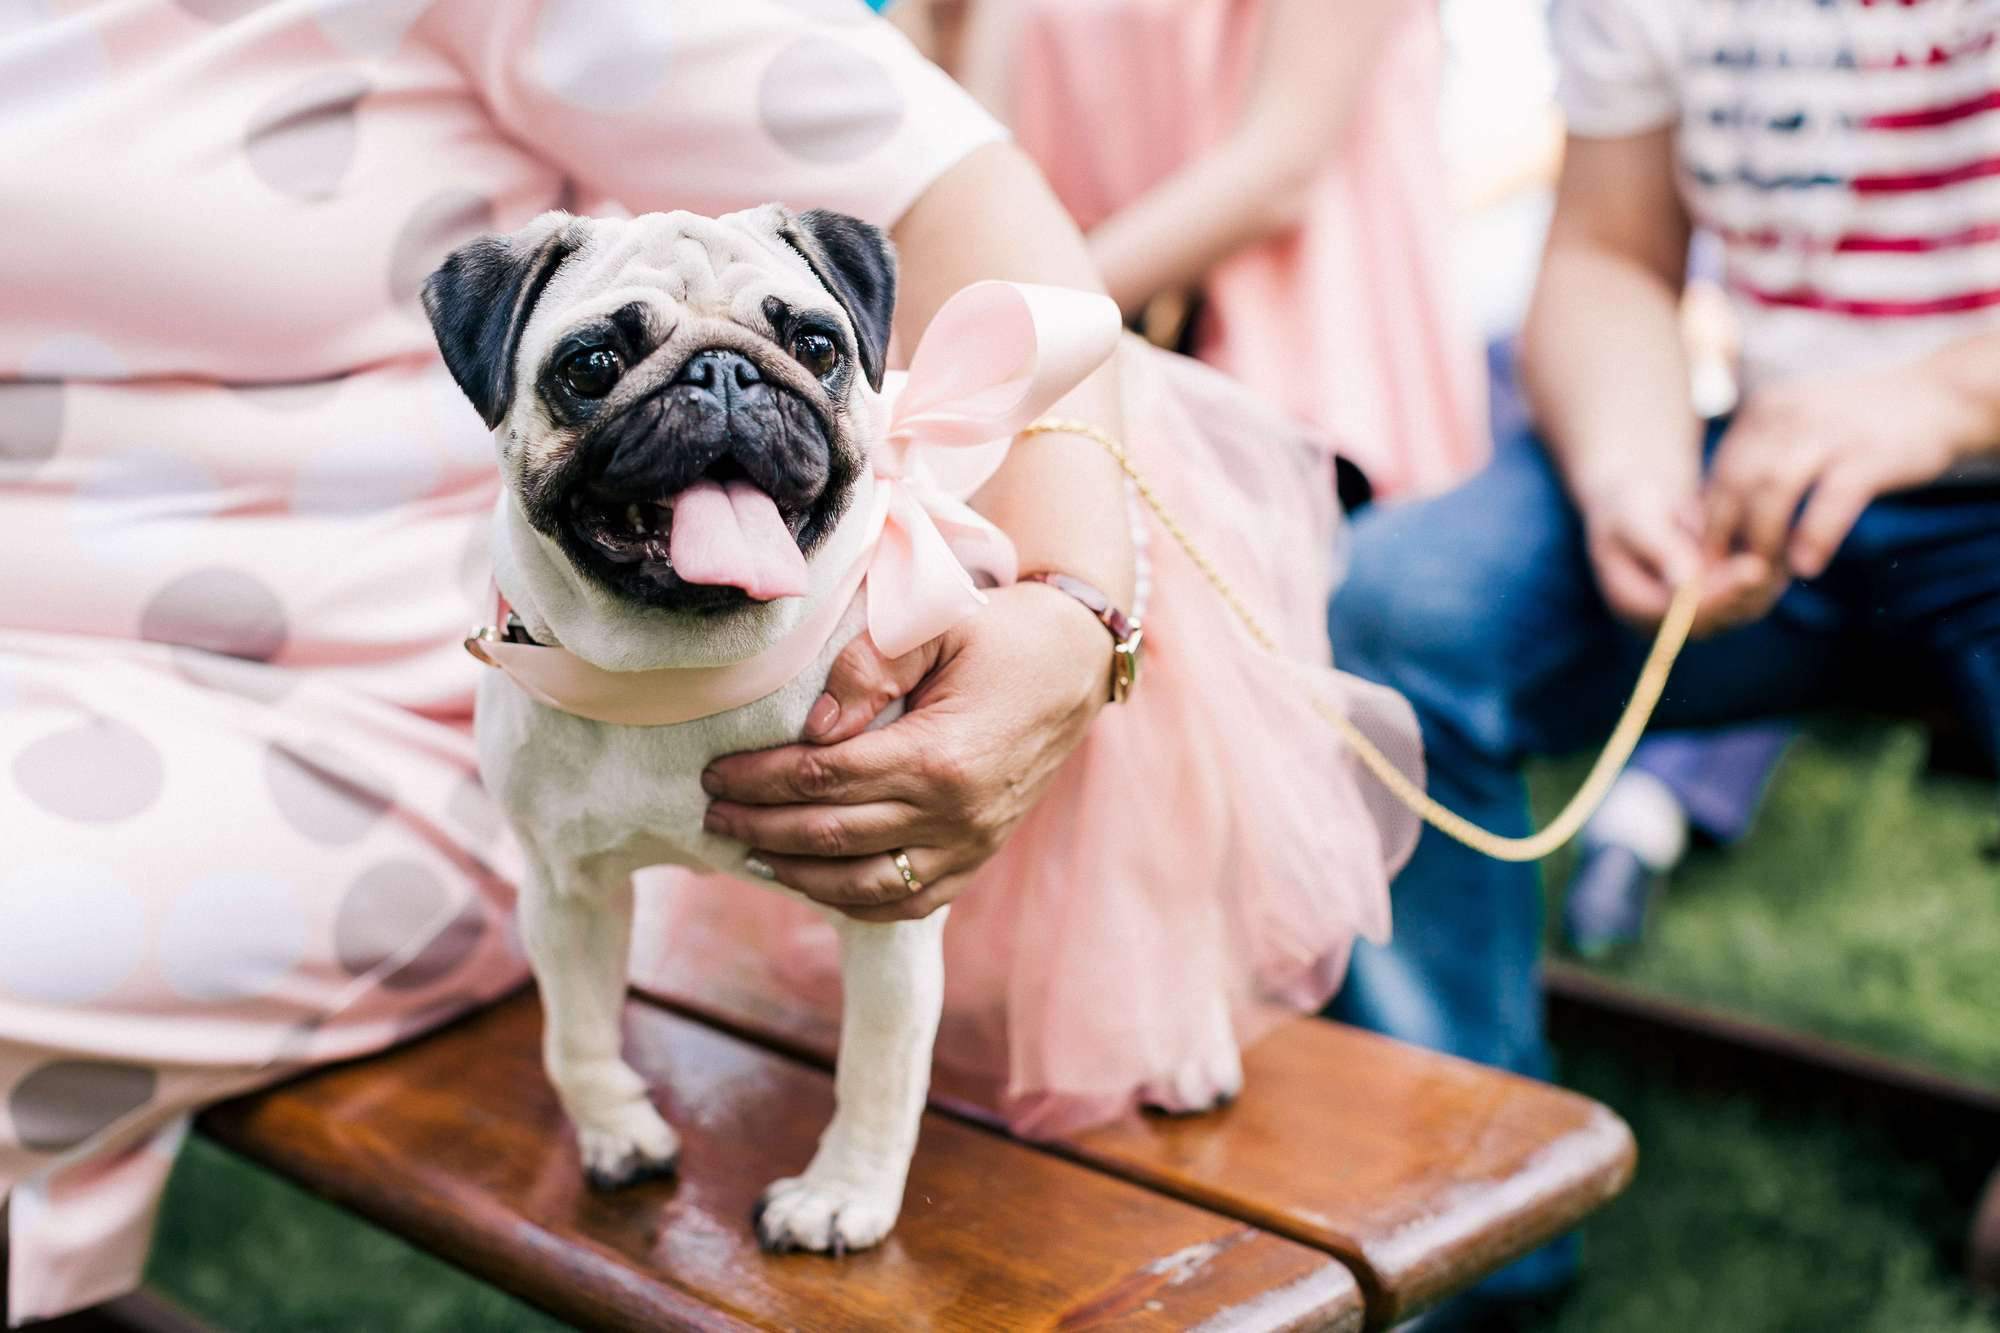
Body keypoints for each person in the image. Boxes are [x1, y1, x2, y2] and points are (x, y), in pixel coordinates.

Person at [0, 0, 1416, 1319]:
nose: (722, 395)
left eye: (797, 352)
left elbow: (964, 199)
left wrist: (1069, 603)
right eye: (596, 371)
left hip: (358, 712)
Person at [1330, 0, 2000, 1312]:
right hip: (1766, 472)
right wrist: (1630, 471)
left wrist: (1934, 398)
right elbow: (1607, 250)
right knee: (1390, 617)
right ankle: (1469, 1215)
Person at [901, 0, 1487, 503]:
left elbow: (1279, 168)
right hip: (1084, 365)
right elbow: (981, 141)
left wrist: (1030, 315)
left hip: (1294, 365)